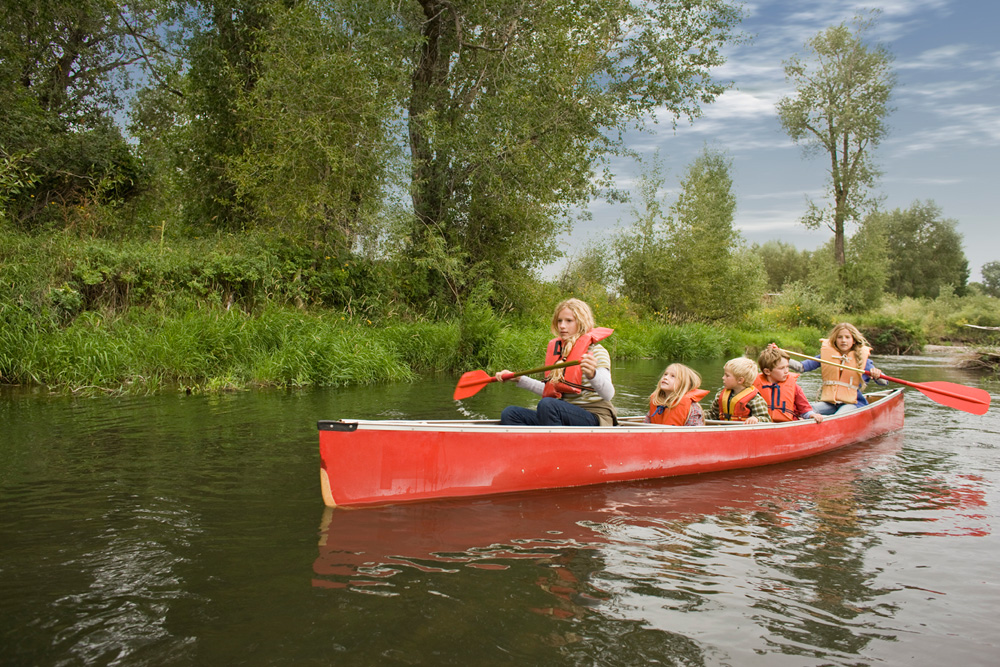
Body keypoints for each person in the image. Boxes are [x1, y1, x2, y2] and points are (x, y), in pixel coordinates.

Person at [495, 298, 617, 426]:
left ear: (581, 323)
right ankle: (539, 444)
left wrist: (592, 374)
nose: (562, 326)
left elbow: (609, 394)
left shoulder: (597, 352)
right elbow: (551, 390)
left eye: (569, 321)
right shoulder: (560, 352)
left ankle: (555, 445)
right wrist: (519, 379)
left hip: (595, 416)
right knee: (510, 414)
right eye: (559, 321)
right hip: (562, 413)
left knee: (547, 405)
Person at [800, 322, 888, 415]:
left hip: (853, 403)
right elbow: (801, 367)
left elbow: (884, 382)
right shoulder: (826, 356)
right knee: (807, 409)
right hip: (831, 403)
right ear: (835, 340)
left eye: (847, 337)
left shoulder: (862, 359)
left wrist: (878, 375)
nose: (843, 340)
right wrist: (784, 358)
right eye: (840, 337)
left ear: (853, 340)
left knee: (839, 415)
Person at [754, 346, 825, 423]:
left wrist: (812, 415)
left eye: (787, 367)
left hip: (788, 424)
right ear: (767, 371)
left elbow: (805, 410)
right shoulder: (754, 387)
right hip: (763, 423)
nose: (786, 371)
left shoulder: (795, 387)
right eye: (781, 368)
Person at [706, 357, 772, 425]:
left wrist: (756, 419)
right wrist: (699, 414)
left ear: (740, 380)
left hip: (745, 433)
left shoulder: (755, 400)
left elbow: (766, 420)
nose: (723, 378)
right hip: (724, 431)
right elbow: (713, 415)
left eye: (727, 375)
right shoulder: (720, 395)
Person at [644, 363, 708, 426]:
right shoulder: (657, 403)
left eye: (673, 376)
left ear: (684, 384)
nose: (665, 378)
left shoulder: (692, 408)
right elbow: (646, 425)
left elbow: (695, 433)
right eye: (665, 374)